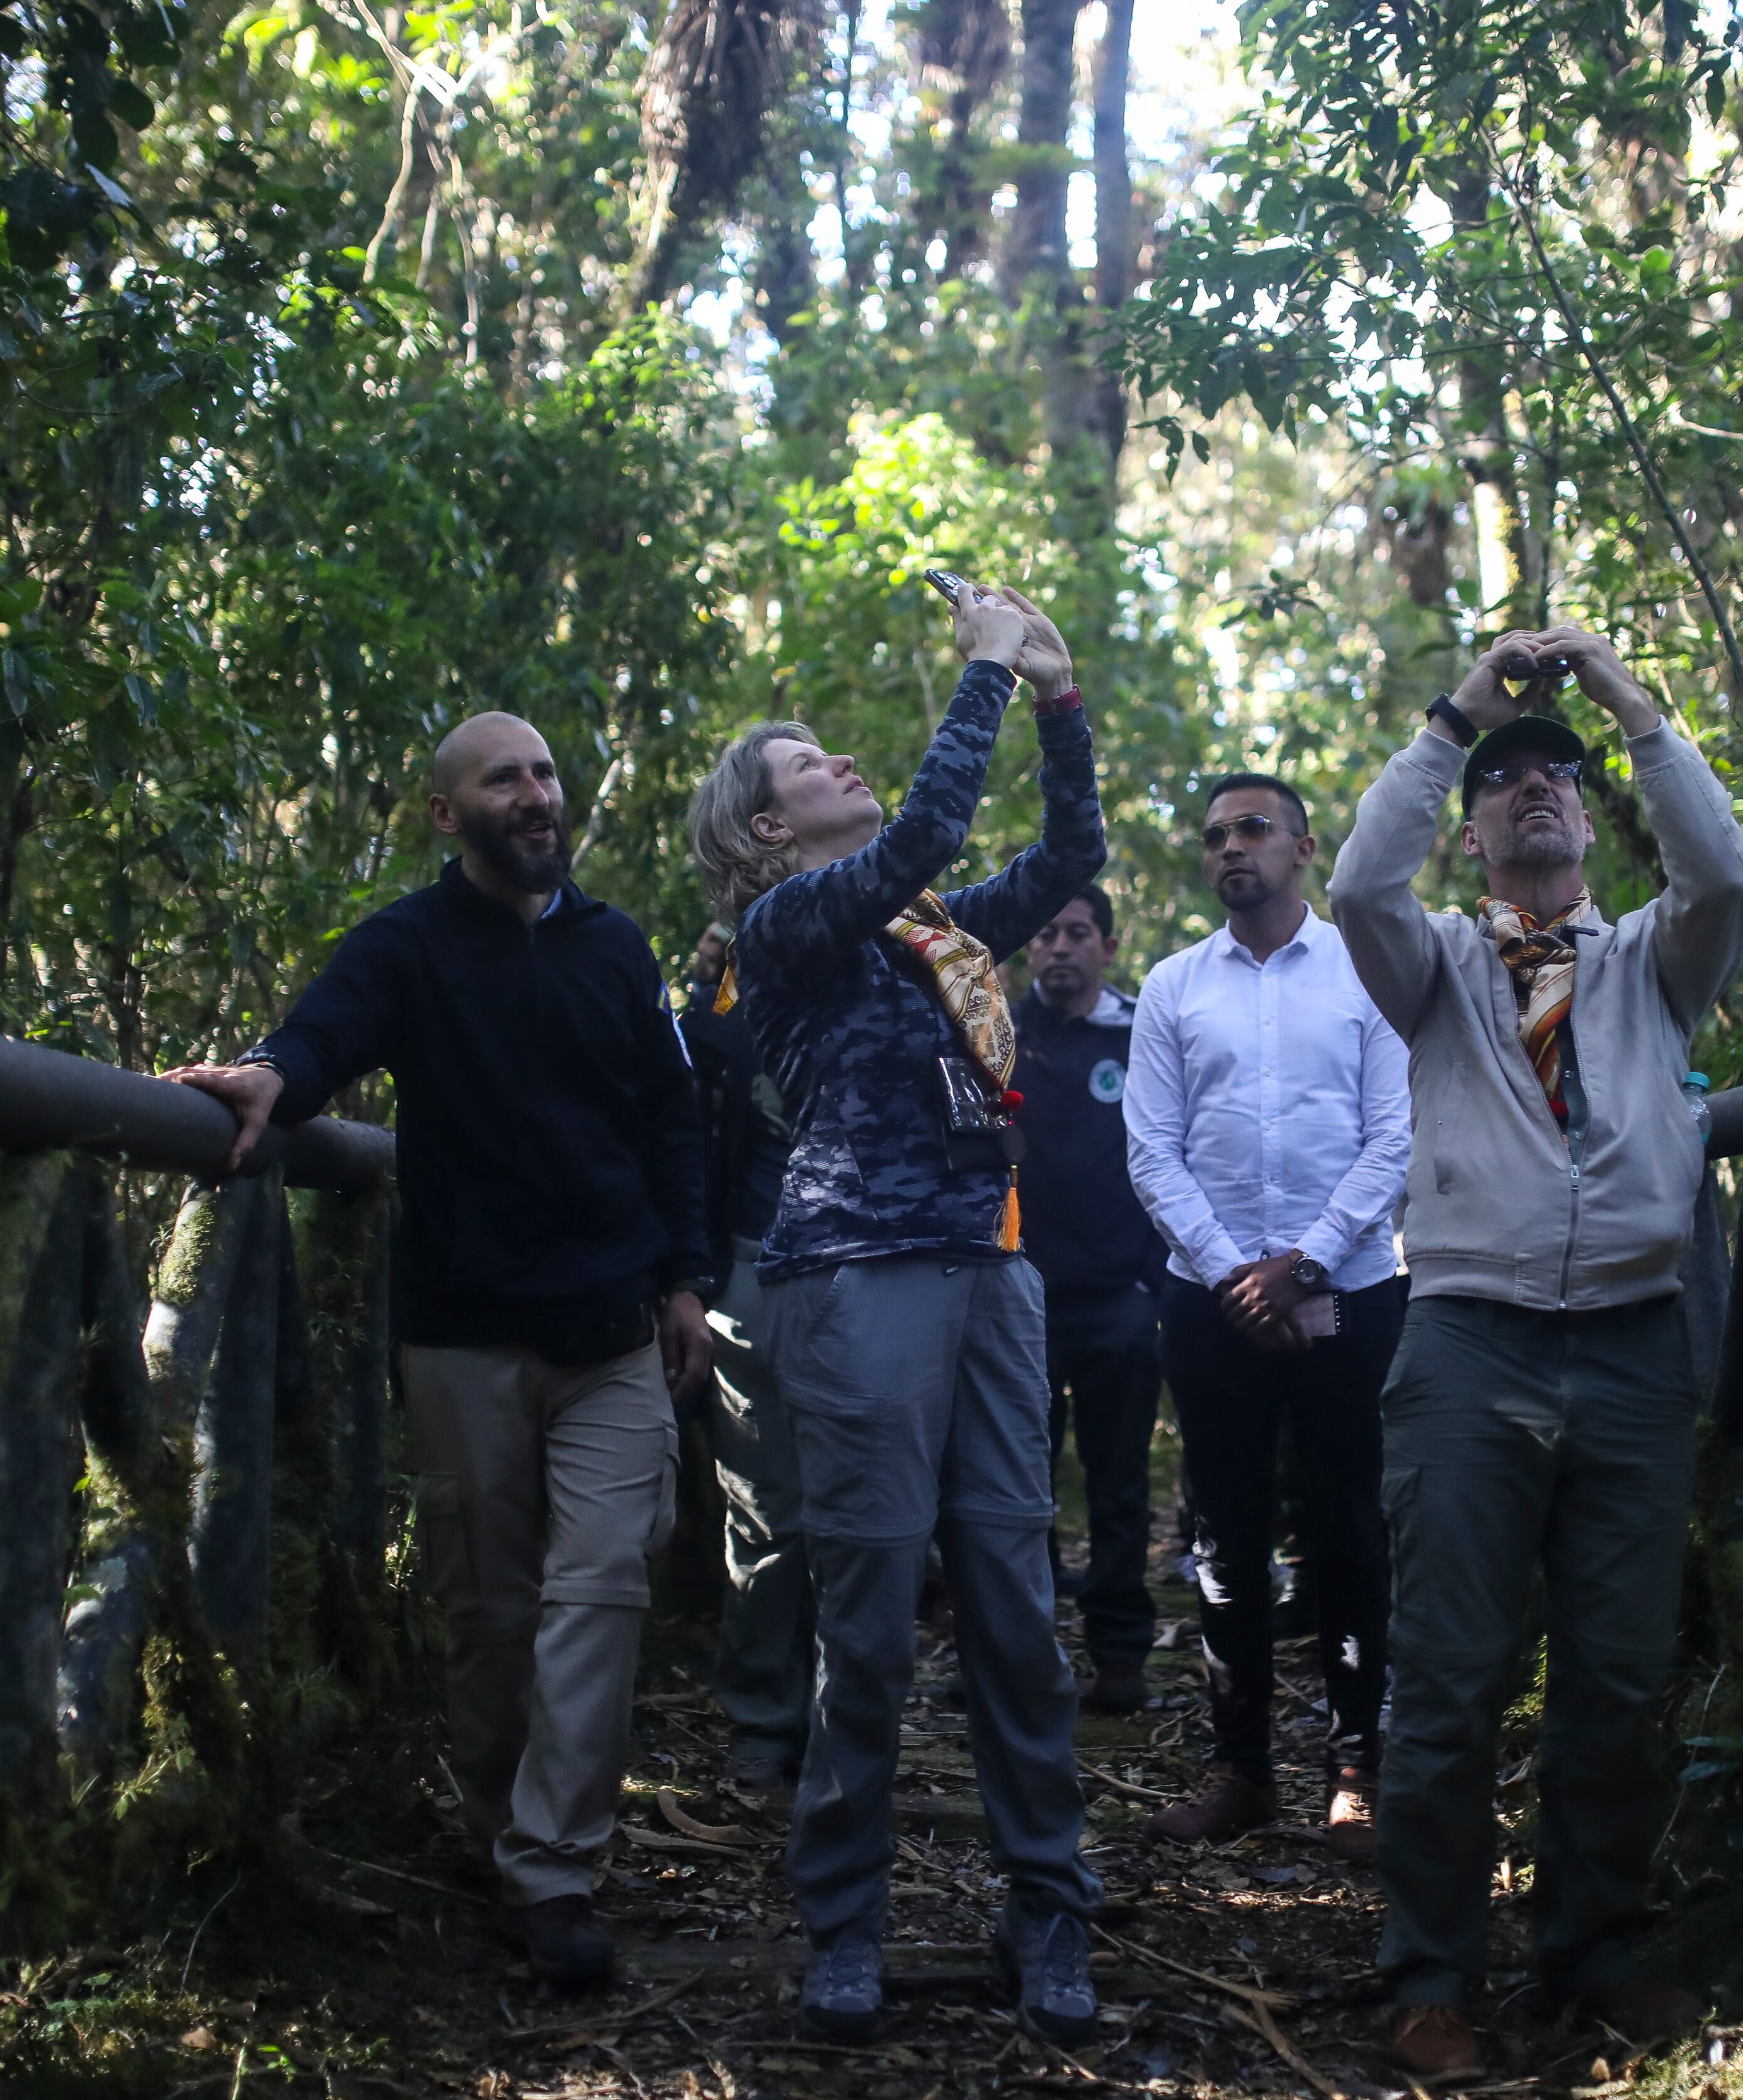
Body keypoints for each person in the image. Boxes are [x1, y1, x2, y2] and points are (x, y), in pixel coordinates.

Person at [165, 711, 717, 1997]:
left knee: (601, 1592)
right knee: (487, 1613)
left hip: (612, 1331)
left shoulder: (617, 946)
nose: (534, 796)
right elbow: (320, 1035)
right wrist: (263, 1078)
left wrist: (686, 1276)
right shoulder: (407, 945)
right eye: (503, 779)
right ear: (446, 812)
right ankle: (497, 1828)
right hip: (465, 1330)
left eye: (543, 775)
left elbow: (669, 1119)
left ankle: (553, 1869)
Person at [1328, 629, 1743, 2077]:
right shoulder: (1436, 965)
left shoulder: (1651, 958)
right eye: (1505, 783)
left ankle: (1592, 1951)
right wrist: (1459, 711)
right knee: (1447, 1673)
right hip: (1467, 1340)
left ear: (1585, 823)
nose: (1530, 794)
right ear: (1474, 828)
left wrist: (1629, 701)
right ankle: (1431, 1971)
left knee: (1618, 1678)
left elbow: (1726, 876)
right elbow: (1354, 884)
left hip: (1633, 1344)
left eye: (1552, 783)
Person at [685, 580, 1105, 2048]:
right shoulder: (791, 922)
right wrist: (982, 671)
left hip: (993, 1276)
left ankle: (1048, 1910)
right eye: (809, 766)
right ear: (765, 827)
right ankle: (845, 1923)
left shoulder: (933, 932)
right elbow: (926, 826)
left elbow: (1064, 859)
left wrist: (1054, 697)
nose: (840, 766)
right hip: (854, 1281)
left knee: (1012, 1610)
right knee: (864, 1624)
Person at [1123, 771, 1412, 1863]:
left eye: (1252, 829)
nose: (1229, 848)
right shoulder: (1173, 987)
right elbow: (1153, 1148)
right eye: (1214, 836)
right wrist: (1235, 1273)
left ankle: (1357, 1770)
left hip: (1354, 1290)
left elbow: (1395, 1131)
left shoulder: (1367, 968)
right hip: (1208, 1303)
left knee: (1350, 1529)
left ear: (1302, 844)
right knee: (1225, 1540)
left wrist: (1307, 1262)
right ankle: (1239, 1768)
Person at [1012, 883, 1168, 1716]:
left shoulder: (1142, 1030)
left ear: (1107, 946)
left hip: (1119, 1299)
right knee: (1014, 1486)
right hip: (1020, 1298)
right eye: (1046, 933)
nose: (1061, 946)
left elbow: (1173, 1147)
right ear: (1028, 947)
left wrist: (1151, 1277)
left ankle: (1119, 1653)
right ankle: (1020, 1655)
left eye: (1078, 933)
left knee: (1118, 1484)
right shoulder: (994, 1032)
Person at [677, 922, 811, 1801]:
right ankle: (765, 1720)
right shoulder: (725, 974)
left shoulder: (898, 934)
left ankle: (855, 1722)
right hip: (756, 1255)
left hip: (879, 1256)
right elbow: (682, 1125)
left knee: (874, 1508)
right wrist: (685, 1282)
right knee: (766, 1506)